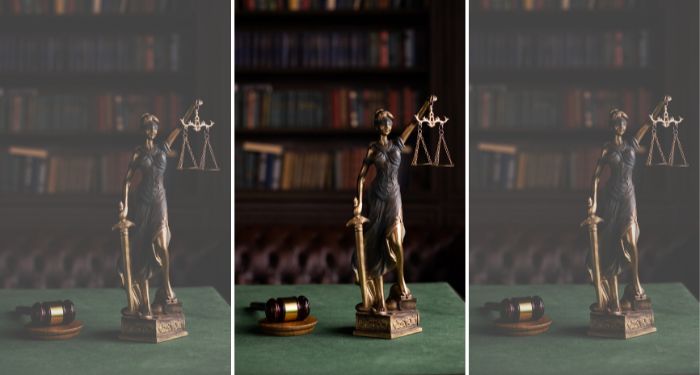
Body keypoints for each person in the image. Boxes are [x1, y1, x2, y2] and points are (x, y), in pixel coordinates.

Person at [587, 98, 666, 314]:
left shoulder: (632, 142)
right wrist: (592, 200)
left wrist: (661, 105)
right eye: (618, 123)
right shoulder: (607, 148)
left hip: (628, 196)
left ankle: (635, 283)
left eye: (624, 123)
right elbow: (596, 177)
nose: (621, 126)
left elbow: (649, 123)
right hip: (611, 198)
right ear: (612, 126)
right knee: (611, 243)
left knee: (631, 241)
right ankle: (613, 296)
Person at [352, 100, 429, 314]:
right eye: (383, 122)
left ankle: (401, 281)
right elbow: (361, 177)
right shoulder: (373, 148)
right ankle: (379, 300)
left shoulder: (397, 143)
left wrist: (427, 105)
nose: (387, 124)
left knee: (396, 241)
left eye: (389, 121)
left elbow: (414, 122)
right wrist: (358, 202)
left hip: (394, 196)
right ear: (377, 125)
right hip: (376, 198)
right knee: (375, 243)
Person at [118, 113, 181, 319]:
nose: (152, 131)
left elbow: (179, 128)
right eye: (148, 127)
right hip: (143, 203)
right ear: (143, 129)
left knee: (162, 245)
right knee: (142, 248)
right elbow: (127, 180)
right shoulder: (138, 153)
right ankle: (144, 302)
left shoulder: (162, 148)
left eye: (155, 128)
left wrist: (192, 110)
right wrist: (125, 207)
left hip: (160, 201)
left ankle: (166, 286)